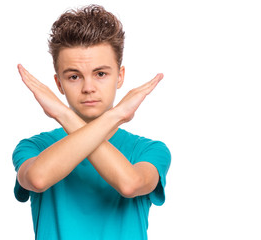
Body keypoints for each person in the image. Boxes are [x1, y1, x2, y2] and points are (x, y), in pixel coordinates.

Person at [12, 4, 171, 240]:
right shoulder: (34, 147)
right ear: (59, 84)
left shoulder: (149, 150)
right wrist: (111, 114)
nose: (88, 88)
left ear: (120, 76)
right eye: (74, 76)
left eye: (100, 74)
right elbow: (38, 178)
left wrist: (65, 113)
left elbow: (129, 184)